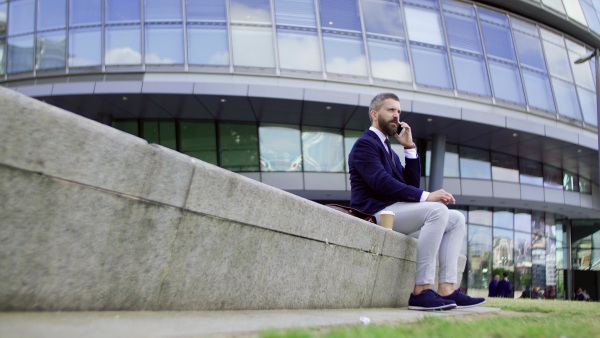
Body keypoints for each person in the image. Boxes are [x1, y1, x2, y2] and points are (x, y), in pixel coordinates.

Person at [348, 92, 485, 311]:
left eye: (399, 111)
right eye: (391, 110)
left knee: (456, 219)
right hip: (375, 213)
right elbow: (380, 183)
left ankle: (447, 289)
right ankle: (421, 291)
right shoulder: (365, 144)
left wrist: (409, 149)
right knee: (437, 210)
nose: (397, 116)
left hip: (395, 212)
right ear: (374, 114)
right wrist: (427, 197)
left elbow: (410, 184)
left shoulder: (389, 151)